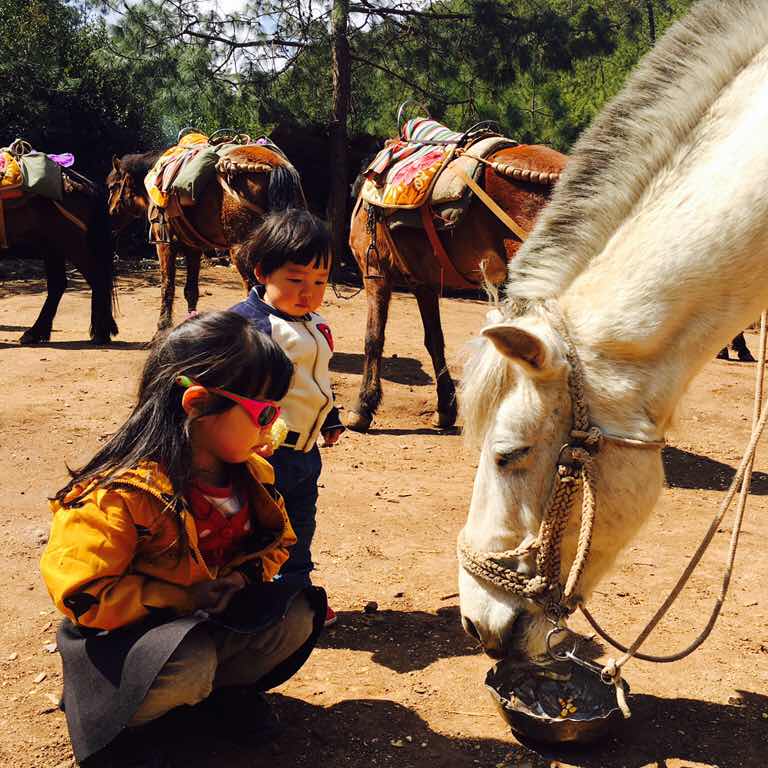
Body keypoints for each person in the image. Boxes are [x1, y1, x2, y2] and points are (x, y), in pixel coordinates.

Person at [40, 311, 327, 768]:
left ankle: (220, 696)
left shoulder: (252, 474)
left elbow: (279, 543)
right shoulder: (120, 494)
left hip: (204, 619)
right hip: (128, 643)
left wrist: (243, 576)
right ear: (196, 404)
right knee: (188, 663)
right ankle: (127, 722)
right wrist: (181, 597)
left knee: (296, 615)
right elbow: (85, 596)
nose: (274, 426)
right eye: (264, 412)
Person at [231, 209, 344, 627]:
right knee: (260, 531)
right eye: (296, 280)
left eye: (319, 281)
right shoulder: (250, 327)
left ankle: (294, 596)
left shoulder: (316, 324)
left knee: (299, 525)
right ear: (262, 272)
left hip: (305, 453)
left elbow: (317, 381)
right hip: (264, 455)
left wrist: (328, 417)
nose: (308, 293)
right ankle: (254, 600)